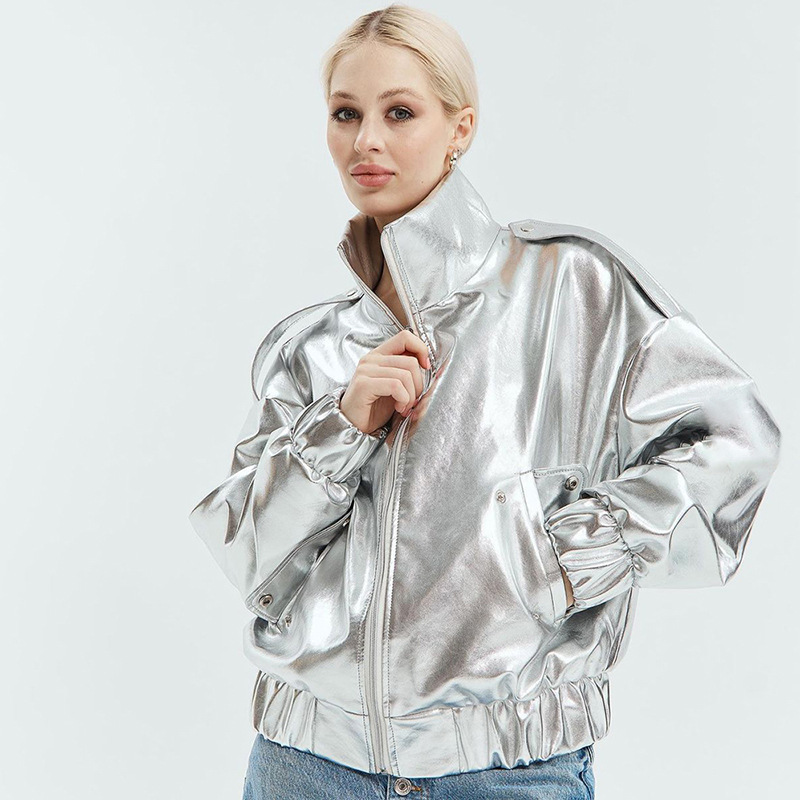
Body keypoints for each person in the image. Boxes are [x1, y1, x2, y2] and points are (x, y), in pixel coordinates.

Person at [188, 5, 782, 799]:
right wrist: (341, 427)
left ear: (459, 127)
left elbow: (734, 440)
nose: (366, 141)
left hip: (508, 774)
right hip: (304, 767)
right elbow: (252, 559)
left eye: (400, 112)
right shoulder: (311, 347)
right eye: (346, 113)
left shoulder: (570, 285)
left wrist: (560, 560)